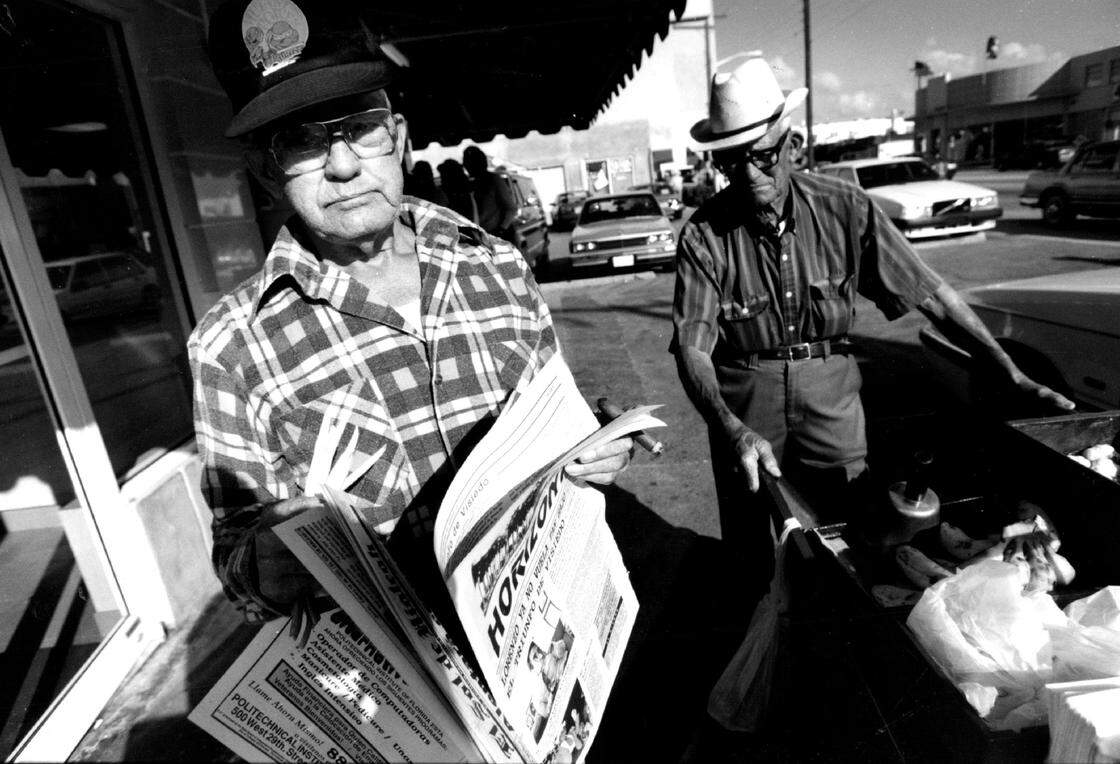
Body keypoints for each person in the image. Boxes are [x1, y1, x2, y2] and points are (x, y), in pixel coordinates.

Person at [193, 0, 632, 623]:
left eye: (361, 128)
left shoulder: (496, 265)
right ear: (268, 172)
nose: (343, 166)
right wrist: (267, 562)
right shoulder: (229, 347)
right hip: (397, 694)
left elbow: (552, 427)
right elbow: (239, 568)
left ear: (397, 138)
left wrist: (590, 449)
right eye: (300, 141)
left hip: (547, 628)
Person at [671, 57, 1074, 595]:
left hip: (831, 397)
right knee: (751, 537)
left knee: (850, 532)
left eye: (762, 158)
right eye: (731, 162)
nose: (749, 175)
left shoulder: (844, 208)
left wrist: (1005, 368)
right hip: (746, 397)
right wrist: (730, 425)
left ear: (789, 144)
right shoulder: (703, 235)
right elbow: (692, 347)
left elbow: (930, 294)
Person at [462, 144, 517, 240]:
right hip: (480, 236)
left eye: (468, 163)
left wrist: (501, 229)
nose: (466, 167)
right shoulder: (470, 184)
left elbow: (511, 208)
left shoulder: (494, 180)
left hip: (495, 234)